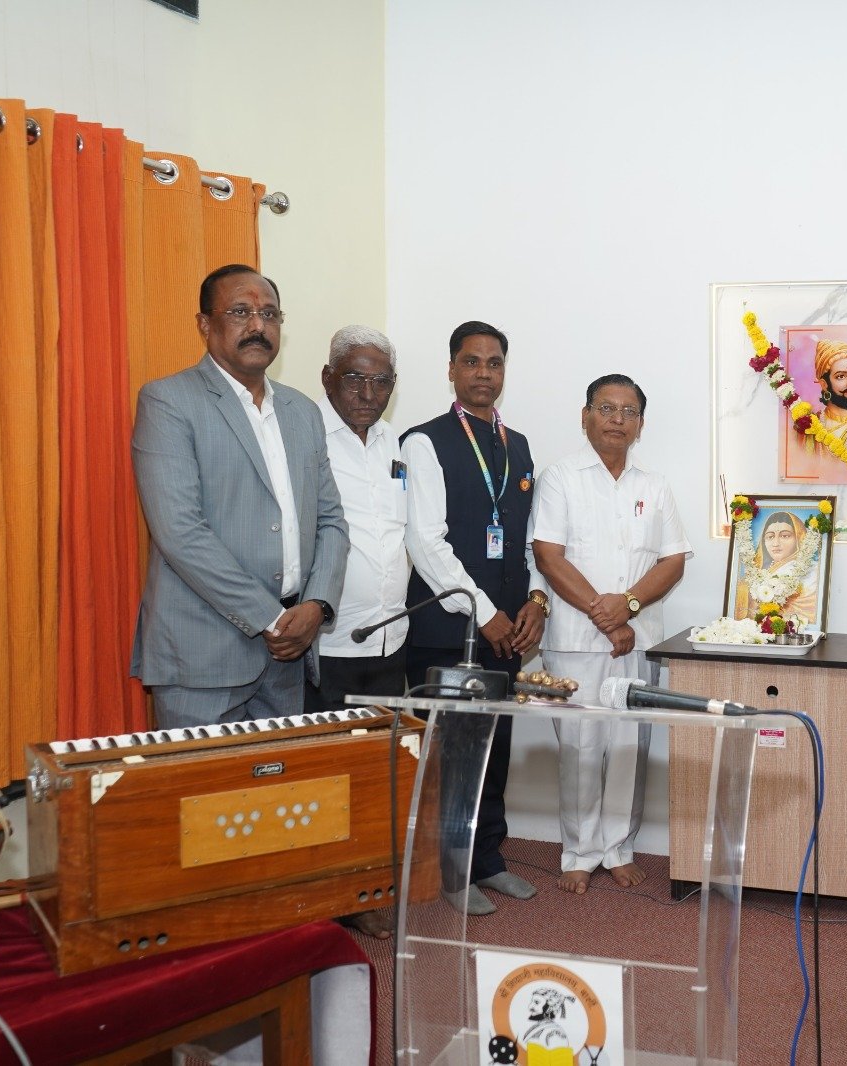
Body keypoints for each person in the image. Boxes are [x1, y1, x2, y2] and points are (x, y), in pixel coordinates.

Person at [132, 264, 347, 729]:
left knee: (279, 777)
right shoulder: (168, 402)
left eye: (269, 314)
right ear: (204, 323)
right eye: (240, 312)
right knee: (203, 778)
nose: (257, 325)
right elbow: (180, 533)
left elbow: (331, 520)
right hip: (202, 655)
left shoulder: (303, 411)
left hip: (289, 653)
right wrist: (271, 618)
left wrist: (316, 606)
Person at [402, 321, 545, 915]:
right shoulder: (424, 441)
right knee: (451, 755)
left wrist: (535, 601)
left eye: (494, 362)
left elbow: (528, 538)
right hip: (448, 630)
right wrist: (484, 612)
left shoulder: (519, 445)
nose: (483, 373)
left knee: (495, 748)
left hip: (504, 631)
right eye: (471, 361)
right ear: (451, 370)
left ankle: (487, 859)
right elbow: (424, 541)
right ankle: (450, 871)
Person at [532, 374, 691, 895]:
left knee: (628, 745)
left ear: (641, 424)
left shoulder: (654, 485)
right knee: (580, 746)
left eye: (628, 412)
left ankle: (618, 848)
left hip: (637, 637)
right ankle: (579, 852)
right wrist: (608, 617)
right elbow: (548, 556)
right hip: (575, 636)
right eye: (606, 408)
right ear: (585, 416)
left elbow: (672, 561)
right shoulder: (560, 477)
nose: (617, 420)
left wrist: (630, 607)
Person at [308, 325, 409, 713]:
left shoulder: (391, 439)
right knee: (327, 750)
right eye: (354, 379)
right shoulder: (305, 434)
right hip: (327, 645)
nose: (369, 395)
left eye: (381, 382)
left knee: (385, 749)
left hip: (390, 640)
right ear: (327, 378)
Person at [732, 510, 820, 624]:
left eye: (785, 536)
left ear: (799, 537)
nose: (776, 543)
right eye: (770, 537)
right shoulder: (759, 571)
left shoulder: (813, 571)